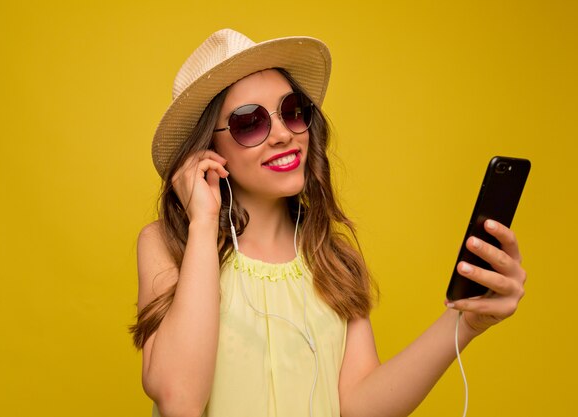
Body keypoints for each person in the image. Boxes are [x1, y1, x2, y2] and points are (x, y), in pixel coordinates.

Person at [130, 28, 526, 417]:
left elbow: (359, 405)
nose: (284, 134)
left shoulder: (332, 257)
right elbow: (179, 401)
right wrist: (202, 222)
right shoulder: (168, 244)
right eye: (250, 123)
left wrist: (465, 322)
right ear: (208, 149)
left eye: (291, 111)